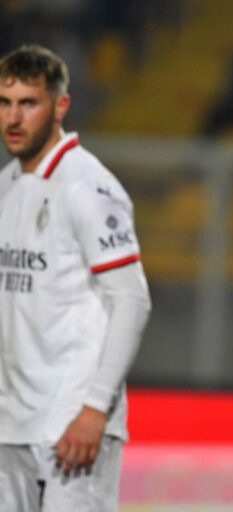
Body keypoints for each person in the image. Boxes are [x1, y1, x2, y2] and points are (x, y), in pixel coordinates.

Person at [0, 44, 151, 511]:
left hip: (71, 424)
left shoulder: (87, 186)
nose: (14, 117)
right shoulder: (7, 184)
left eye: (29, 103)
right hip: (12, 426)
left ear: (60, 106)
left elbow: (132, 300)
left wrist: (94, 410)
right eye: (5, 102)